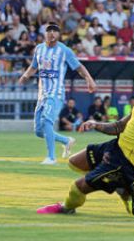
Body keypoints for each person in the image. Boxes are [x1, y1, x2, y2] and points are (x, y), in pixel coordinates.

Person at [37, 62, 134, 215]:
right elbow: (118, 126)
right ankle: (121, 186)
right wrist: (96, 124)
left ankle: (66, 208)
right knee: (74, 163)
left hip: (126, 162)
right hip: (115, 146)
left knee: (77, 187)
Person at [18, 23, 96, 165]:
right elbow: (33, 67)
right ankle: (66, 141)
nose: (52, 33)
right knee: (39, 132)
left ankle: (51, 157)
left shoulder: (64, 51)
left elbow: (79, 67)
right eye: (49, 31)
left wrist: (89, 79)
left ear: (59, 35)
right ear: (45, 34)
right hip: (42, 94)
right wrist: (25, 76)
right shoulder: (39, 49)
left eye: (55, 31)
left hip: (56, 93)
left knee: (48, 120)